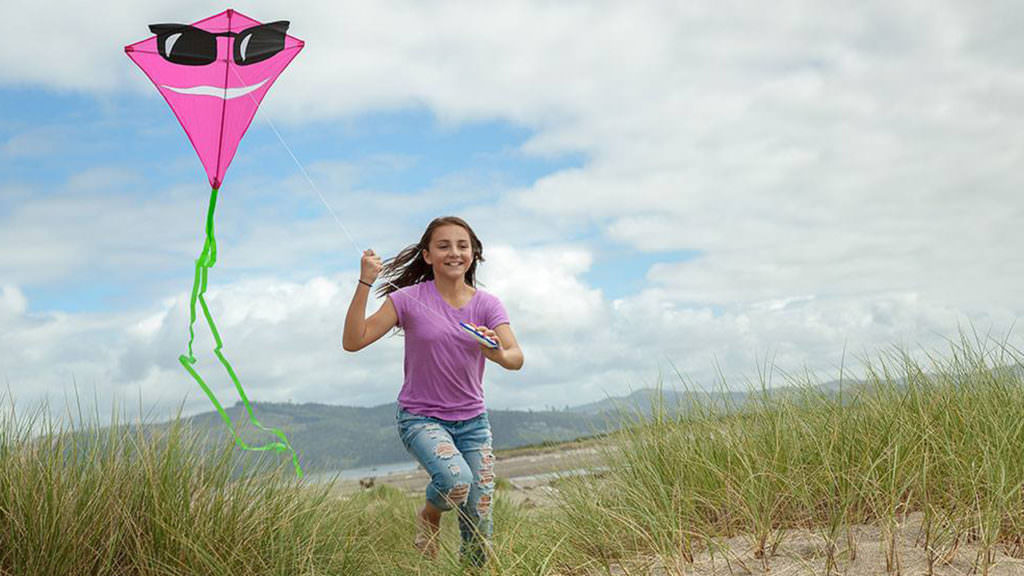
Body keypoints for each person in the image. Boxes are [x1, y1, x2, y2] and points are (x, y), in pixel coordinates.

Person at [342, 216, 523, 565]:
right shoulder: (407, 299)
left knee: (479, 514)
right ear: (427, 255)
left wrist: (497, 353)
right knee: (455, 481)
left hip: (473, 422)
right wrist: (365, 282)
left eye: (462, 246)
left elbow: (516, 357)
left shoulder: (487, 305)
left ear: (473, 254)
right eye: (443, 246)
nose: (454, 252)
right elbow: (353, 341)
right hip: (421, 418)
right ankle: (429, 515)